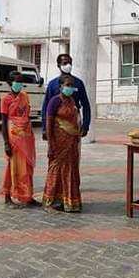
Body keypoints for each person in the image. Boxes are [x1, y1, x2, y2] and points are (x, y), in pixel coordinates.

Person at [43, 74, 82, 213]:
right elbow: (49, 122)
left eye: (71, 85)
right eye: (67, 85)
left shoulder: (72, 101)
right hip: (58, 143)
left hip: (71, 142)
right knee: (56, 170)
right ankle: (53, 200)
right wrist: (50, 144)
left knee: (70, 170)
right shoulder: (54, 101)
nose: (70, 88)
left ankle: (69, 201)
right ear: (60, 86)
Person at [0, 71, 39, 207]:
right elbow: (4, 122)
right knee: (13, 166)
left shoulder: (25, 96)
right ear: (10, 83)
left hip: (26, 137)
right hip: (14, 137)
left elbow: (27, 116)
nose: (19, 84)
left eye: (21, 81)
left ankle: (27, 196)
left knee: (27, 168)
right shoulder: (5, 99)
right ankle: (7, 197)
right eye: (17, 81)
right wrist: (6, 143)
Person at [41, 54, 91, 140]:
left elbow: (86, 105)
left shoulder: (78, 83)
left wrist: (85, 125)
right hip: (57, 125)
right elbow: (46, 107)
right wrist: (45, 128)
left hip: (74, 124)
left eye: (70, 63)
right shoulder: (52, 84)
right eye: (65, 63)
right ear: (58, 65)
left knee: (74, 151)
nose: (68, 65)